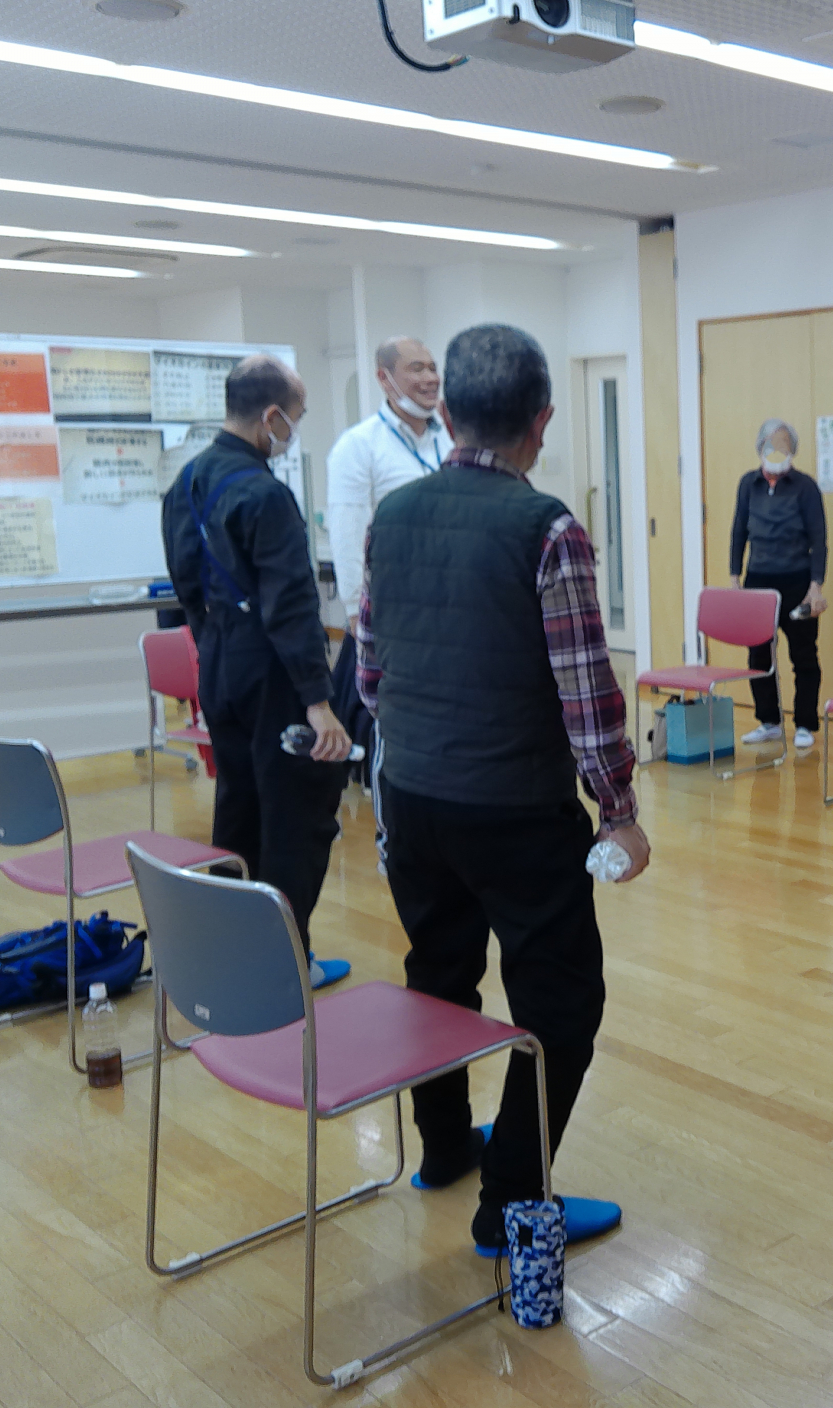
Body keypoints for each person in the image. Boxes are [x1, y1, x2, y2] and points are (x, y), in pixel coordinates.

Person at [356, 323, 647, 1255]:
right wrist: (620, 812)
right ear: (542, 422)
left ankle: (445, 1146)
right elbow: (586, 695)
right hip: (515, 806)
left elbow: (370, 674)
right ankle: (513, 1204)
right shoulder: (547, 528)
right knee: (561, 1003)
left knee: (438, 974)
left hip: (413, 794)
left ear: (446, 415)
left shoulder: (392, 518)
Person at [161, 355, 352, 989]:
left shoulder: (185, 482)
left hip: (217, 663)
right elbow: (291, 605)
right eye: (295, 417)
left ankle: (233, 953)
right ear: (271, 416)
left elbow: (186, 584)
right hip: (274, 674)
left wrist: (216, 643)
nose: (293, 430)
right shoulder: (265, 495)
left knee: (238, 807)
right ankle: (285, 965)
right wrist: (318, 701)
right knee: (297, 816)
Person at [325, 337, 448, 794]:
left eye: (432, 366)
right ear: (384, 377)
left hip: (455, 610)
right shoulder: (359, 446)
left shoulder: (452, 438)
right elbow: (348, 532)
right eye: (416, 368)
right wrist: (356, 615)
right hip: (397, 616)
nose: (430, 378)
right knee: (397, 735)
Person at [728, 419, 827, 750]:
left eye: (783, 446)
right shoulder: (748, 484)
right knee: (759, 656)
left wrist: (816, 586)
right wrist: (734, 578)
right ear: (760, 448)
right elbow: (738, 530)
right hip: (758, 582)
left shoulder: (805, 487)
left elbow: (819, 540)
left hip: (797, 581)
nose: (777, 451)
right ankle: (769, 721)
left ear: (793, 451)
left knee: (804, 656)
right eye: (771, 445)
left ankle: (805, 724)